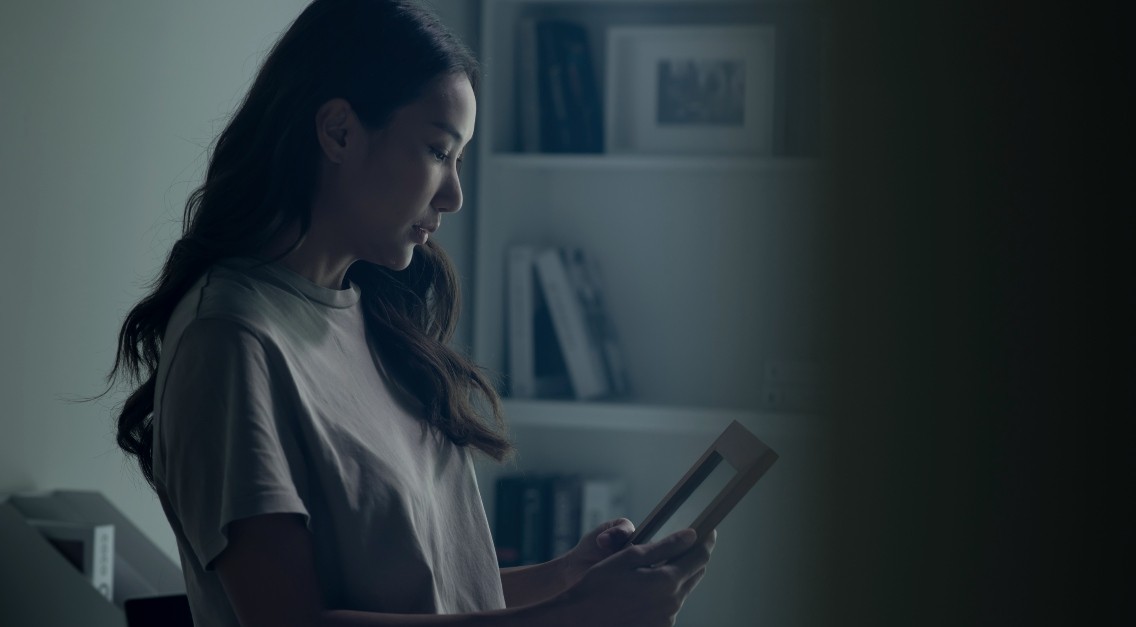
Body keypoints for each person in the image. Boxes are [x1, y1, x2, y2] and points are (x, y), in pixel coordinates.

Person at [106, 1, 714, 626]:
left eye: (459, 159)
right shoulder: (228, 338)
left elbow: (428, 594)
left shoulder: (374, 317)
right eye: (436, 150)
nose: (453, 194)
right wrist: (577, 616)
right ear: (339, 131)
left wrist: (566, 581)